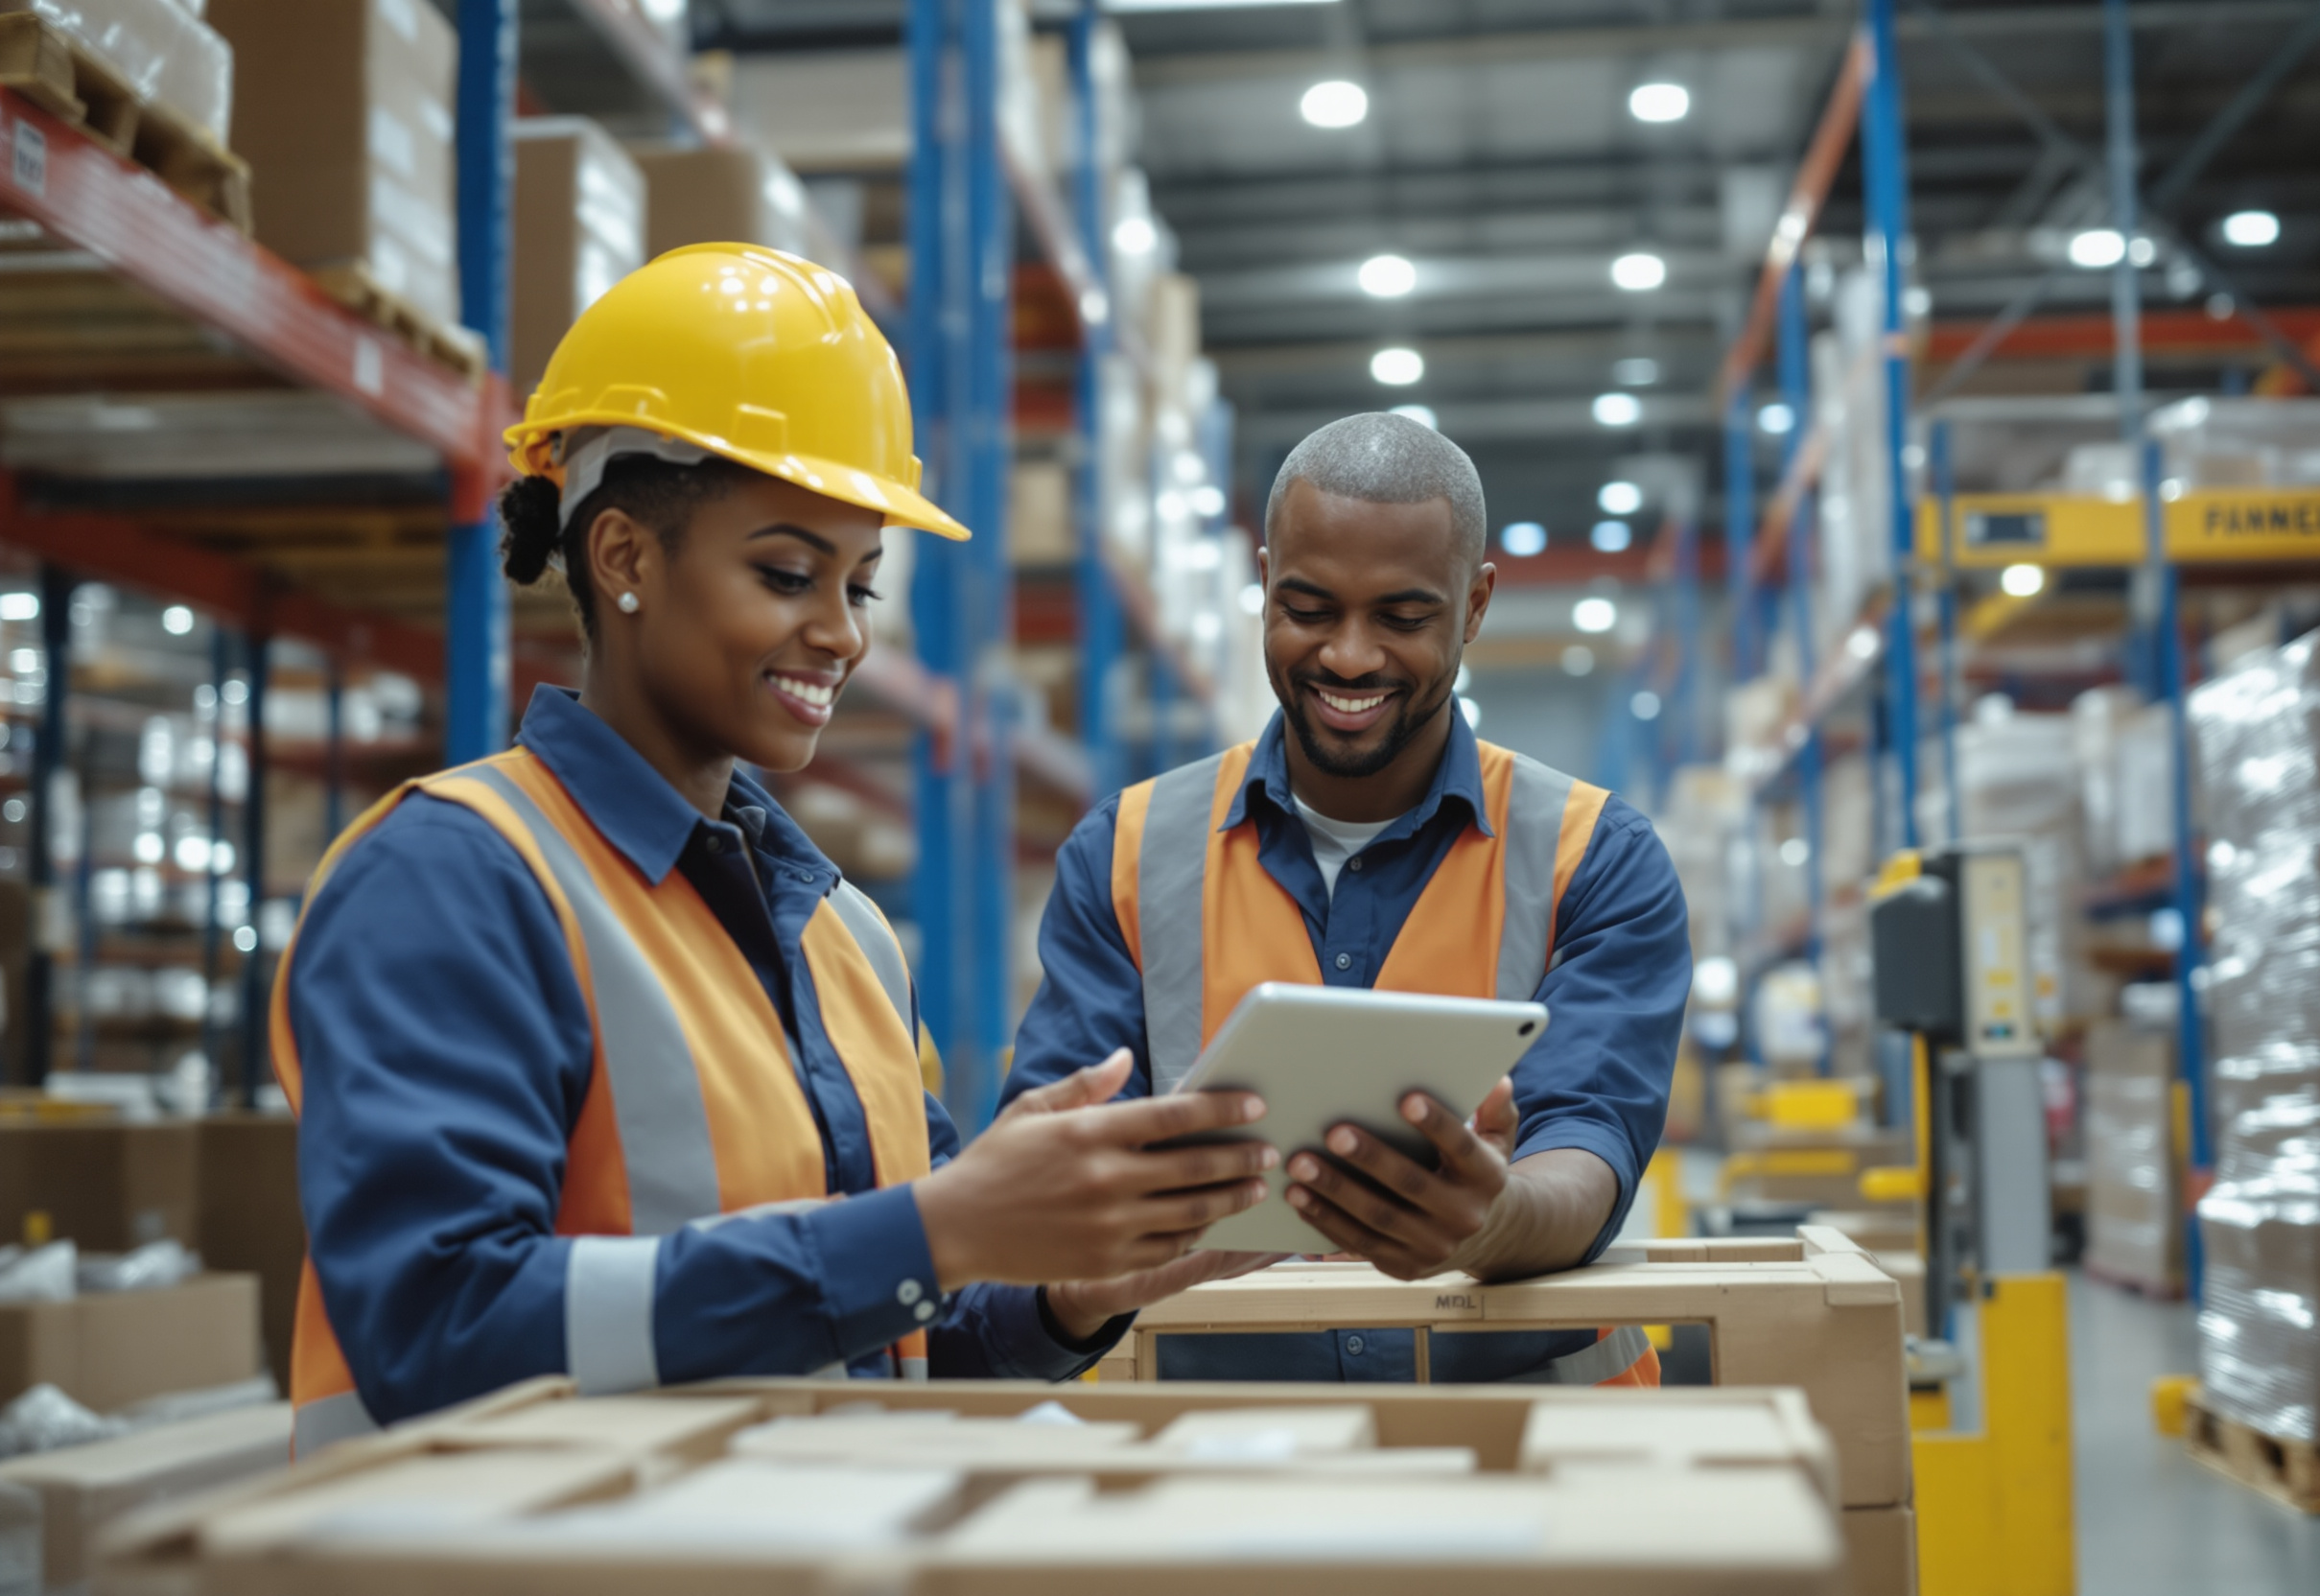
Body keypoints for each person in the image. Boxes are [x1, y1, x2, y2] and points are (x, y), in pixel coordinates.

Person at [271, 245, 1279, 1457]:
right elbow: (436, 1326)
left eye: (862, 586)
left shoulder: (845, 936)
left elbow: (896, 1337)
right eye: (789, 573)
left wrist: (1073, 1286)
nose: (842, 634)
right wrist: (935, 1231)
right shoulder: (454, 879)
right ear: (624, 557)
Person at [1008, 412, 1693, 1383]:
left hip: (1532, 1447)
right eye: (1308, 608)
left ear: (1475, 605)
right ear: (1263, 584)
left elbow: (1587, 1139)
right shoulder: (1125, 853)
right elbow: (1059, 1177)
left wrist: (1492, 1218)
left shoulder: (1594, 859)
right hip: (1210, 1451)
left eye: (1403, 618)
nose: (1350, 656)